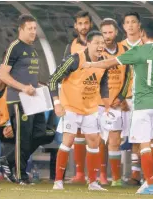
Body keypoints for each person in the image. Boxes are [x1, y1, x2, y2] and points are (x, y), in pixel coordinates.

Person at [83, 18, 153, 195]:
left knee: (144, 144)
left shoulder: (138, 51)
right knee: (152, 141)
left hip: (143, 104)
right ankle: (148, 182)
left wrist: (91, 64)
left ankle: (149, 183)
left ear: (142, 33)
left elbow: (109, 63)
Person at [49, 31, 108, 191]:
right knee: (68, 140)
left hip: (90, 108)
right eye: (96, 42)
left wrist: (107, 104)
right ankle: (58, 181)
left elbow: (103, 83)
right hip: (70, 107)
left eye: (102, 42)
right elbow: (53, 79)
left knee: (94, 140)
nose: (100, 46)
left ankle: (93, 183)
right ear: (88, 44)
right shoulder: (75, 59)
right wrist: (57, 103)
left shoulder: (104, 61)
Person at [0, 14, 48, 185]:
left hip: (35, 98)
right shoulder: (15, 47)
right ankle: (21, 176)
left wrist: (40, 86)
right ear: (21, 29)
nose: (33, 32)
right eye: (30, 29)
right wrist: (23, 88)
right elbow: (2, 74)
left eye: (35, 28)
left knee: (43, 133)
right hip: (18, 99)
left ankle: (9, 160)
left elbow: (29, 76)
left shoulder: (33, 48)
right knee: (23, 137)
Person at [62, 10, 93, 185]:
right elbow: (63, 72)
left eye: (86, 23)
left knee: (96, 136)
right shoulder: (70, 46)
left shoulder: (97, 43)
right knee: (77, 134)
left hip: (93, 95)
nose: (83, 27)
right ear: (76, 26)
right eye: (80, 23)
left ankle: (99, 174)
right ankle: (80, 173)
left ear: (90, 24)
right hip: (75, 97)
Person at [99, 18, 130, 187]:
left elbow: (128, 76)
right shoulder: (97, 51)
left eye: (110, 32)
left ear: (116, 32)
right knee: (98, 141)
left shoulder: (125, 50)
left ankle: (116, 179)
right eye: (104, 33)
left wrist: (122, 96)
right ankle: (102, 175)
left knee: (114, 140)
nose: (107, 36)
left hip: (116, 102)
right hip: (99, 103)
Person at [120, 12, 143, 186]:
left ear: (139, 25)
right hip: (125, 98)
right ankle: (131, 173)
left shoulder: (148, 45)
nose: (130, 25)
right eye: (127, 22)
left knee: (145, 136)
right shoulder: (120, 47)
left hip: (144, 96)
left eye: (133, 22)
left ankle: (144, 173)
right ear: (123, 26)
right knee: (127, 136)